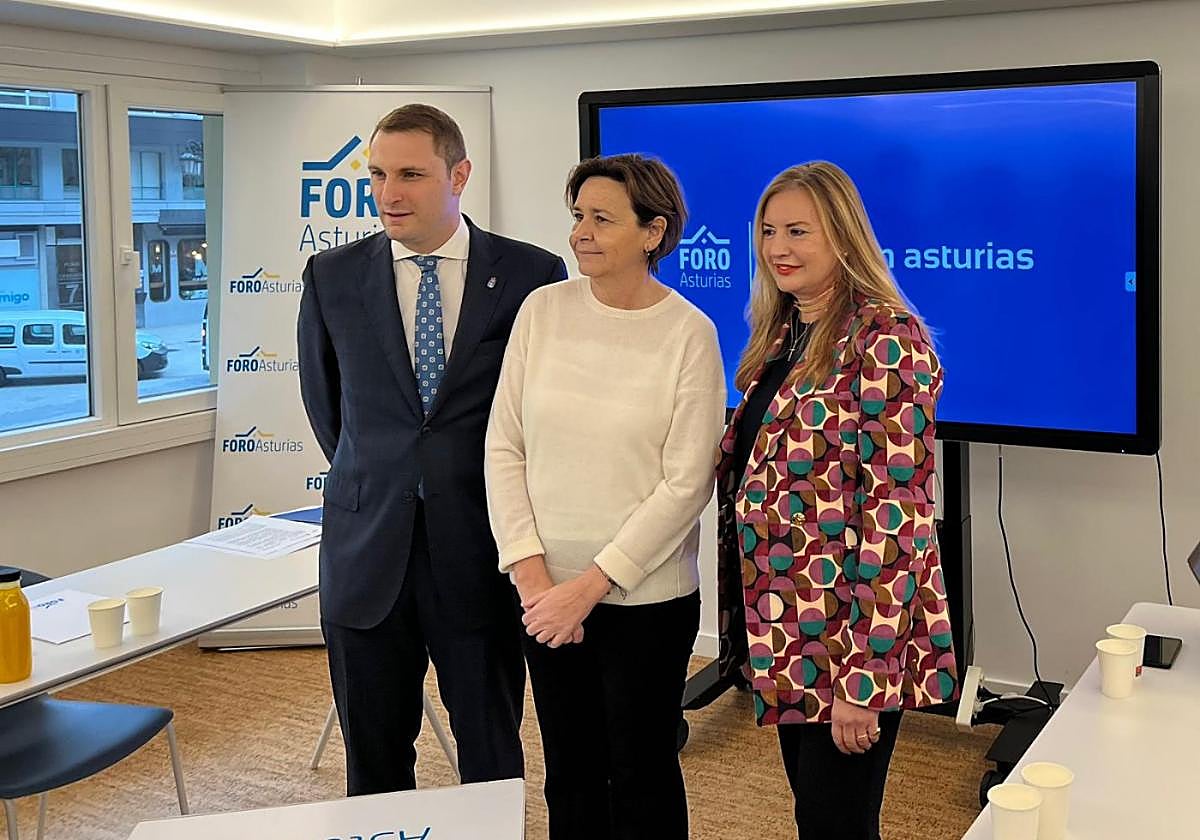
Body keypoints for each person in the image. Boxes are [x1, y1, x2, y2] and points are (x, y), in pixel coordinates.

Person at [297, 104, 567, 796]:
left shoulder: (531, 273)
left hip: (479, 549)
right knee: (375, 762)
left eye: (411, 175)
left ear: (459, 175)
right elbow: (329, 409)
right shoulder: (331, 276)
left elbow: (542, 415)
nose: (389, 193)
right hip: (366, 554)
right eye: (378, 175)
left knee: (490, 754)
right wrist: (389, 474)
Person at [714, 161, 958, 840]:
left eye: (799, 231)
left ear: (844, 236)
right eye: (768, 231)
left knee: (837, 823)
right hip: (791, 629)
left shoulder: (886, 339)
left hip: (851, 637)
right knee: (815, 815)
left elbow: (897, 518)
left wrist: (866, 676)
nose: (778, 247)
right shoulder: (785, 333)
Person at [484, 153, 725, 839]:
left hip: (645, 601)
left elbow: (686, 483)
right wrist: (532, 576)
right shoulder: (542, 311)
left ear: (654, 232)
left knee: (641, 772)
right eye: (577, 216)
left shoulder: (689, 333)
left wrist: (589, 587)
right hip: (543, 593)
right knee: (570, 770)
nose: (580, 233)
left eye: (601, 219)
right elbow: (503, 446)